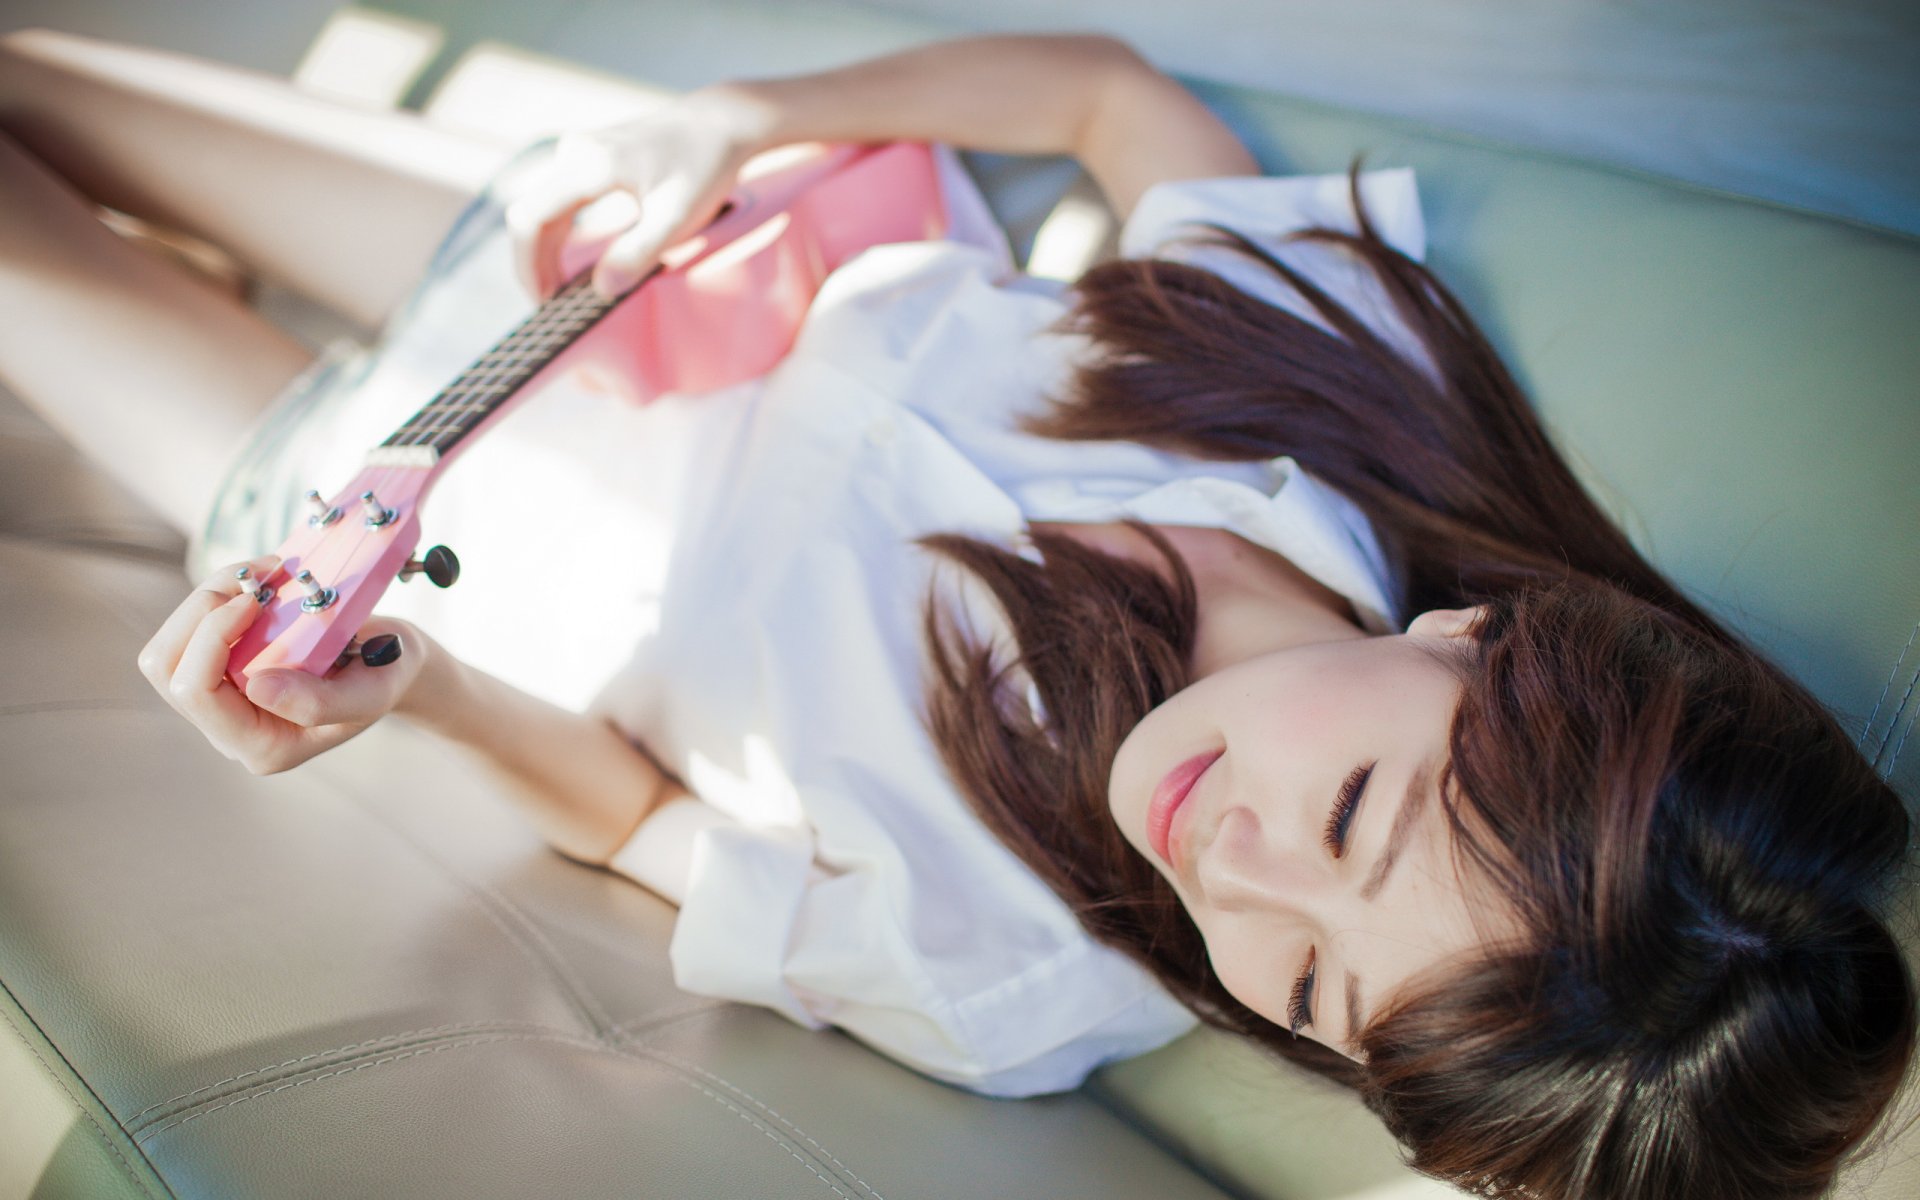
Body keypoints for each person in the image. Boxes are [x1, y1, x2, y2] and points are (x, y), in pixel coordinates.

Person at [1, 26, 1912, 1200]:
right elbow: (1105, 96)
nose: (1238, 876)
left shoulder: (1013, 989)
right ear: (1483, 646)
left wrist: (410, 689)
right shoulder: (1333, 377)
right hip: (592, 270)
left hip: (363, 509)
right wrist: (740, 118)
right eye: (1351, 819)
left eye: (1312, 991)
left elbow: (647, 822)